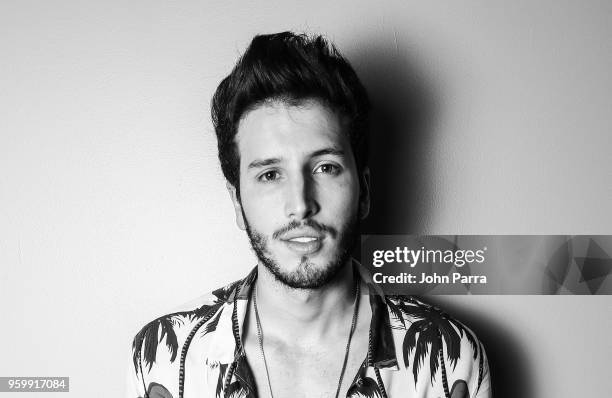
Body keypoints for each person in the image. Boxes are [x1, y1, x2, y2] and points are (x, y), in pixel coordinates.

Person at [126, 31, 491, 398]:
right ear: (237, 203)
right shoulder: (166, 360)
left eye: (326, 168)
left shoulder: (448, 358)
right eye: (270, 175)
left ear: (364, 190)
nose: (300, 204)